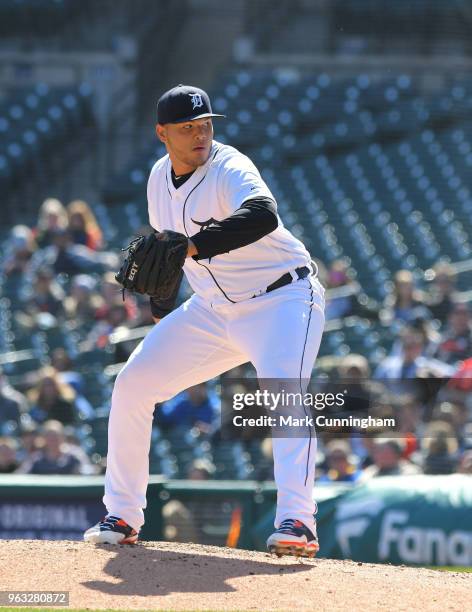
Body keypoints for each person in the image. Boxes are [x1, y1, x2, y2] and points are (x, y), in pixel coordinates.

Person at [84, 84, 325, 557]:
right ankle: (123, 515)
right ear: (162, 134)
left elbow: (263, 216)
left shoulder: (228, 166)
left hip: (283, 299)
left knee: (283, 388)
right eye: (188, 127)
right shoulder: (158, 180)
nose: (200, 134)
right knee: (133, 383)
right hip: (212, 310)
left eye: (206, 124)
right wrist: (160, 310)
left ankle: (298, 519)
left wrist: (192, 246)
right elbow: (168, 258)